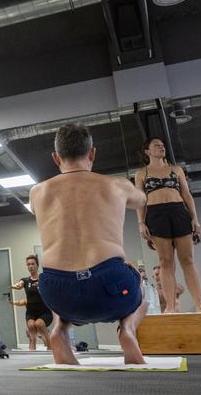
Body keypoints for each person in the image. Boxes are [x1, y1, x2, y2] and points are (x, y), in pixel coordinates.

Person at [30, 122, 148, 365]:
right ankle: (126, 329)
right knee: (141, 285)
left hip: (56, 292)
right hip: (110, 286)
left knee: (58, 287)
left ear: (56, 158)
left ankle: (60, 330)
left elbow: (36, 210)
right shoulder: (116, 184)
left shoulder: (37, 192)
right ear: (92, 153)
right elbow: (141, 199)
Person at [134, 138, 201, 313]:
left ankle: (199, 305)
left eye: (163, 145)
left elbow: (187, 195)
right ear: (147, 151)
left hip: (179, 211)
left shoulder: (176, 169)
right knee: (165, 261)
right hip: (156, 214)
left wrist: (195, 218)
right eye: (156, 145)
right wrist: (141, 223)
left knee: (187, 260)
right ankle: (170, 307)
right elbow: (140, 201)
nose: (161, 147)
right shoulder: (142, 173)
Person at [10, 254, 53, 351]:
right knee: (30, 325)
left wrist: (42, 286)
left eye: (33, 264)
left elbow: (51, 289)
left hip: (44, 311)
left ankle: (49, 345)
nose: (30, 266)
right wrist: (16, 286)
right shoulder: (25, 280)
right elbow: (20, 284)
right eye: (28, 264)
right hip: (31, 312)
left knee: (39, 324)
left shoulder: (43, 278)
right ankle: (32, 345)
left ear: (37, 265)